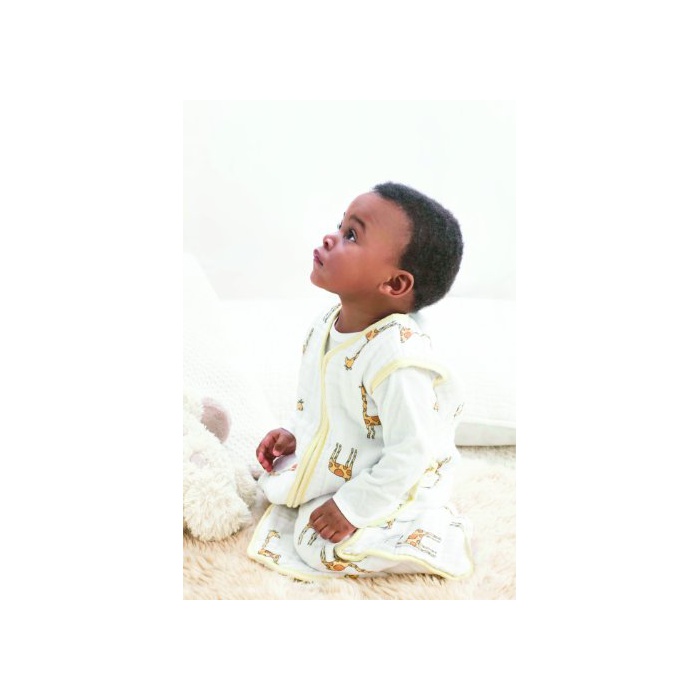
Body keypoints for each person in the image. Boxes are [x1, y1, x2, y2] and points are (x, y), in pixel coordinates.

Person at [247, 182, 473, 580]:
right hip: (350, 460)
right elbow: (321, 404)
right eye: (340, 225)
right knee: (280, 488)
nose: (330, 237)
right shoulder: (325, 326)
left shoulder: (397, 359)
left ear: (395, 284)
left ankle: (426, 538)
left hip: (399, 479)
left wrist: (352, 507)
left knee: (319, 547)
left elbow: (411, 452)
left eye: (351, 235)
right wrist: (295, 434)